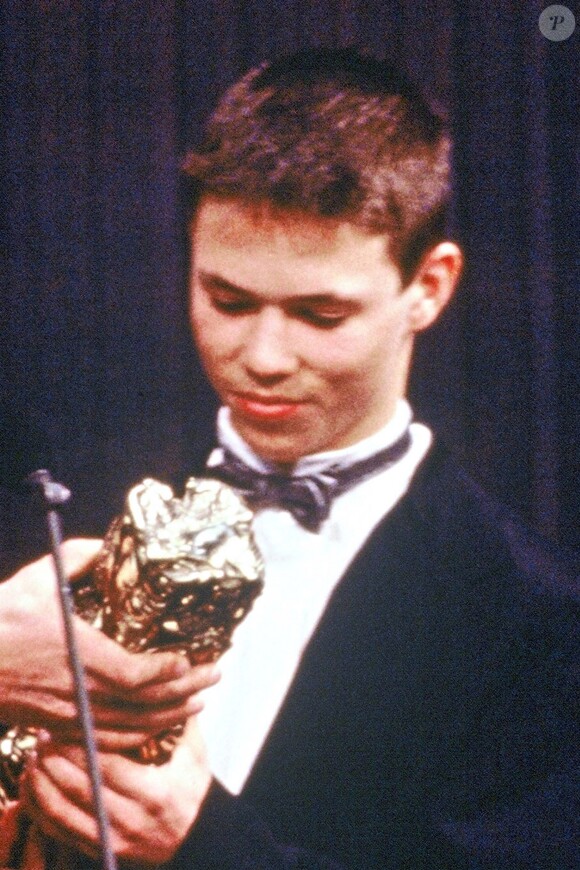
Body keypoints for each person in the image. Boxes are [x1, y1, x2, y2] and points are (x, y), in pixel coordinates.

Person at [4, 48, 578, 868]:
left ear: (431, 286)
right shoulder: (67, 515)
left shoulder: (539, 623)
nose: (263, 357)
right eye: (227, 300)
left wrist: (203, 847)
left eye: (320, 314)